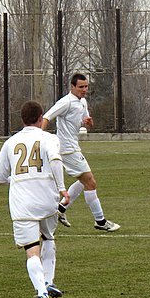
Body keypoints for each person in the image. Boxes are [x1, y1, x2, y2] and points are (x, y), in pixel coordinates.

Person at [0, 101, 70, 298]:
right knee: (48, 237)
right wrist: (62, 188)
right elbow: (55, 160)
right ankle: (49, 281)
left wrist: (18, 179)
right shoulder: (50, 138)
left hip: (22, 203)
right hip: (47, 199)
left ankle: (41, 292)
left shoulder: (10, 142)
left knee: (31, 249)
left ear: (22, 120)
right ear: (40, 118)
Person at [42, 73, 120, 232]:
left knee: (83, 180)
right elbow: (46, 117)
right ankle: (100, 220)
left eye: (86, 87)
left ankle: (61, 209)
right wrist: (39, 136)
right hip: (66, 149)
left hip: (73, 146)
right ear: (72, 87)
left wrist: (88, 122)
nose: (84, 90)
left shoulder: (82, 102)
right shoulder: (65, 102)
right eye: (81, 87)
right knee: (90, 182)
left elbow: (86, 121)